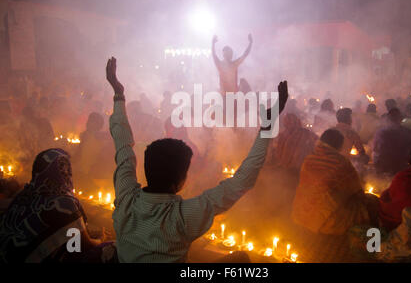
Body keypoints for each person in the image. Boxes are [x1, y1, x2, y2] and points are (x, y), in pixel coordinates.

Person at [105, 57, 288, 262]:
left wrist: (118, 94)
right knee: (240, 260)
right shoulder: (182, 217)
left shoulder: (125, 197)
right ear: (180, 182)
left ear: (147, 168)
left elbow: (122, 146)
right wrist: (267, 127)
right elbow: (242, 180)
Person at [0, 149, 113, 263]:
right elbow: (79, 247)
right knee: (110, 249)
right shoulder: (62, 204)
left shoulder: (24, 193)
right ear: (63, 171)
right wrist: (101, 239)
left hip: (7, 255)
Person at [291, 129, 378, 262]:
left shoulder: (310, 159)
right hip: (329, 220)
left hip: (302, 212)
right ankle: (372, 251)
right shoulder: (341, 163)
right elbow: (357, 193)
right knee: (372, 205)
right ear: (339, 145)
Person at [373, 108, 411, 175]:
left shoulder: (380, 132)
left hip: (385, 166)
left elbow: (376, 150)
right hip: (402, 167)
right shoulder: (408, 132)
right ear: (400, 119)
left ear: (388, 119)